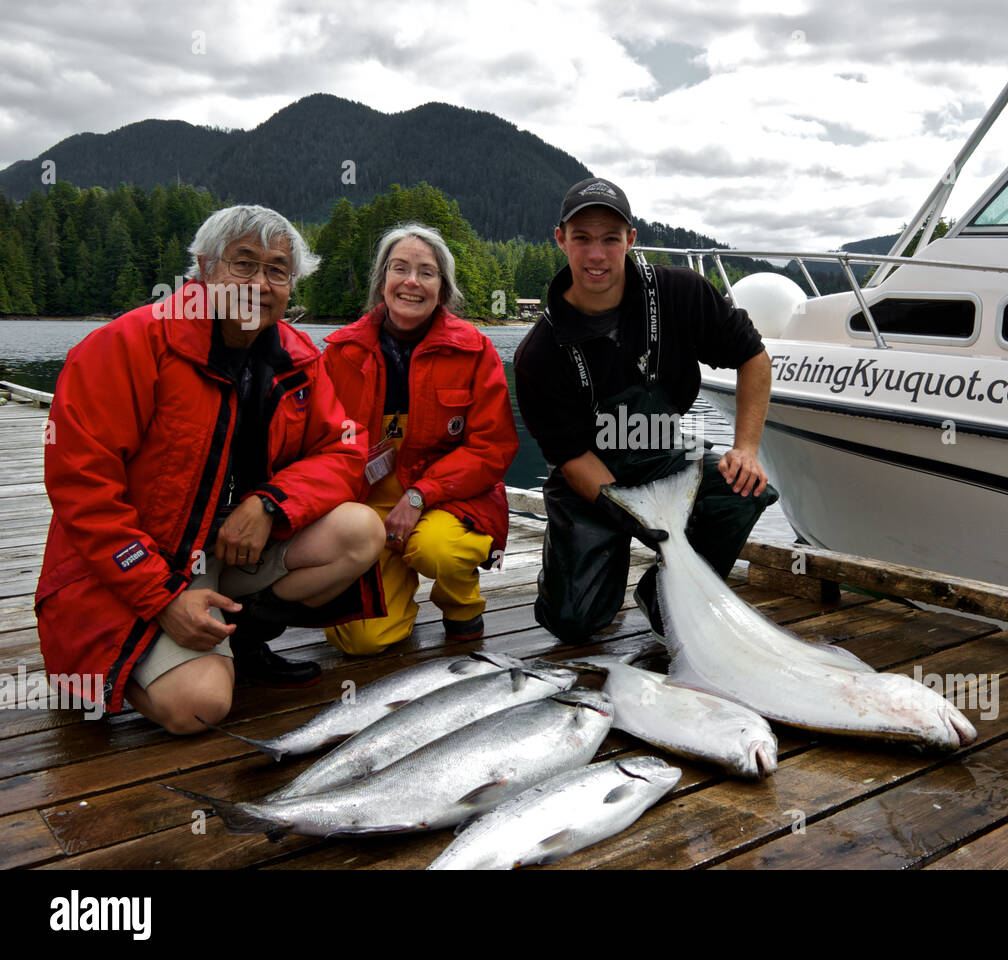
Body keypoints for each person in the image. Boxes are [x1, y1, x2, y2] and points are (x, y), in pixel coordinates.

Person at [36, 204, 387, 735]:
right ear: (204, 269)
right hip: (140, 560)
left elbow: (342, 451)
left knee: (361, 531)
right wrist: (163, 596)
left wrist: (271, 503)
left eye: (277, 270)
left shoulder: (298, 359)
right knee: (199, 707)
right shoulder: (125, 346)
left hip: (234, 545)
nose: (260, 283)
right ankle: (101, 666)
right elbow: (83, 492)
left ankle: (239, 639)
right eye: (243, 264)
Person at [513, 177, 778, 642]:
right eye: (582, 239)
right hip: (591, 482)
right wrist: (635, 514)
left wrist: (747, 448)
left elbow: (753, 357)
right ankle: (579, 577)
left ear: (630, 240)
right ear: (561, 240)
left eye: (610, 239)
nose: (596, 255)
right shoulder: (538, 353)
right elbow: (573, 458)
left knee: (744, 488)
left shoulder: (681, 293)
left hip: (663, 456)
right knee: (575, 624)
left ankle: (665, 597)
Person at [322, 223, 518, 653]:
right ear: (382, 282)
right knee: (361, 641)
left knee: (439, 550)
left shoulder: (475, 350)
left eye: (427, 272)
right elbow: (319, 444)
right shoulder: (340, 352)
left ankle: (461, 605)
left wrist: (419, 496)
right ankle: (393, 595)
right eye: (400, 269)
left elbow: (492, 449)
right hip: (366, 503)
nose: (412, 281)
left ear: (443, 289)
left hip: (450, 497)